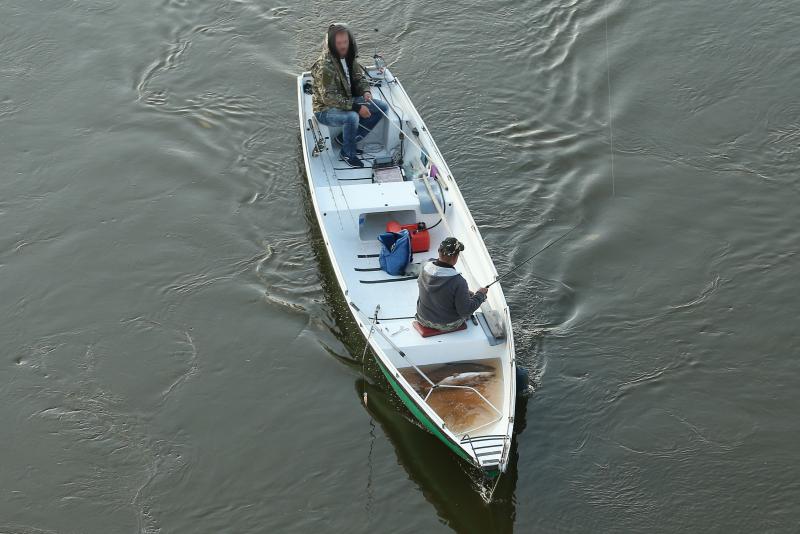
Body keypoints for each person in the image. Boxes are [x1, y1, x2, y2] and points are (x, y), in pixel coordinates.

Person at [311, 23, 390, 169]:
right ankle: (348, 153)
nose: (343, 46)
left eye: (345, 42)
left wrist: (365, 91)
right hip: (325, 109)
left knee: (382, 107)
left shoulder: (349, 56)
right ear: (332, 44)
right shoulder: (324, 66)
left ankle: (345, 140)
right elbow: (329, 98)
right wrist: (357, 107)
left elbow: (359, 78)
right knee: (352, 117)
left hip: (347, 99)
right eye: (339, 43)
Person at [416, 237, 489, 331]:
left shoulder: (424, 267)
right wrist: (480, 295)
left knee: (467, 294)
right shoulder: (459, 281)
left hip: (422, 318)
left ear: (439, 251)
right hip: (446, 324)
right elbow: (465, 311)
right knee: (471, 299)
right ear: (455, 257)